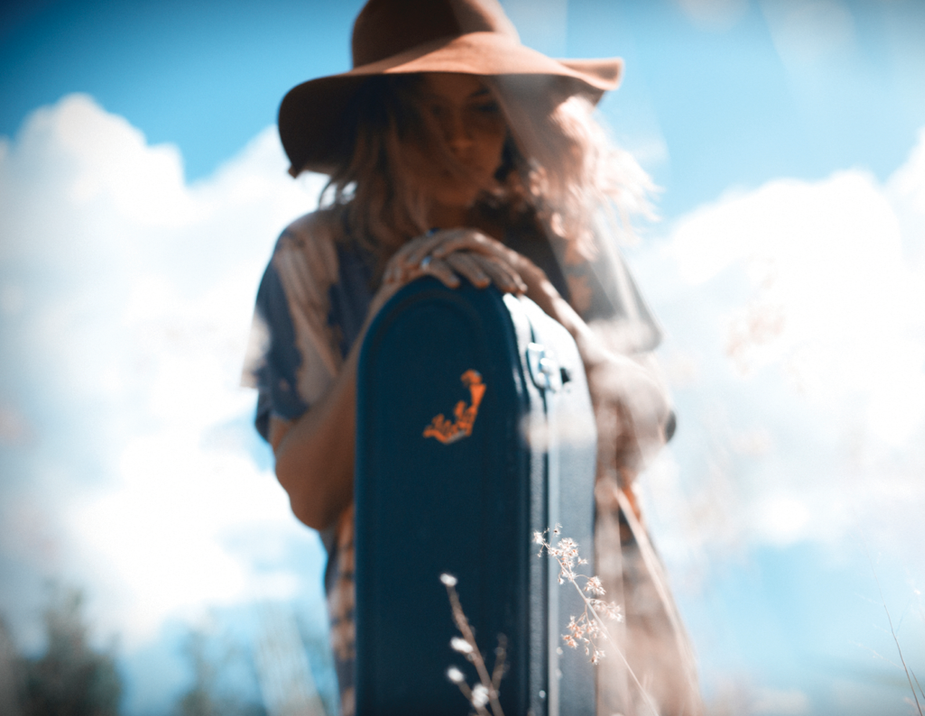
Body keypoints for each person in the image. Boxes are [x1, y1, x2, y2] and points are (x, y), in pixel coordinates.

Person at [243, 1, 702, 714]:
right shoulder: (314, 254)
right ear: (381, 121)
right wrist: (394, 313)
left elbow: (649, 426)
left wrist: (554, 317)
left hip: (596, 614)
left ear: (520, 118)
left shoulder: (565, 238)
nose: (457, 137)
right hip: (410, 627)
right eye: (426, 113)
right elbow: (308, 491)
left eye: (484, 107)